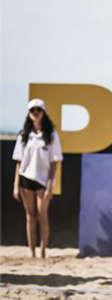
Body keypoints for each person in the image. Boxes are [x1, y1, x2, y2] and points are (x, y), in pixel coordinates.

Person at [12, 98, 63, 259]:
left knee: (42, 215)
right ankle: (31, 250)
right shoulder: (24, 135)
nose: (35, 113)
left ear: (43, 112)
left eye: (38, 110)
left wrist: (50, 185)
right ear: (28, 113)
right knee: (30, 216)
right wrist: (16, 185)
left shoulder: (51, 135)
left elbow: (55, 162)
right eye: (32, 110)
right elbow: (19, 162)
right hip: (26, 178)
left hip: (42, 180)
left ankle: (42, 249)